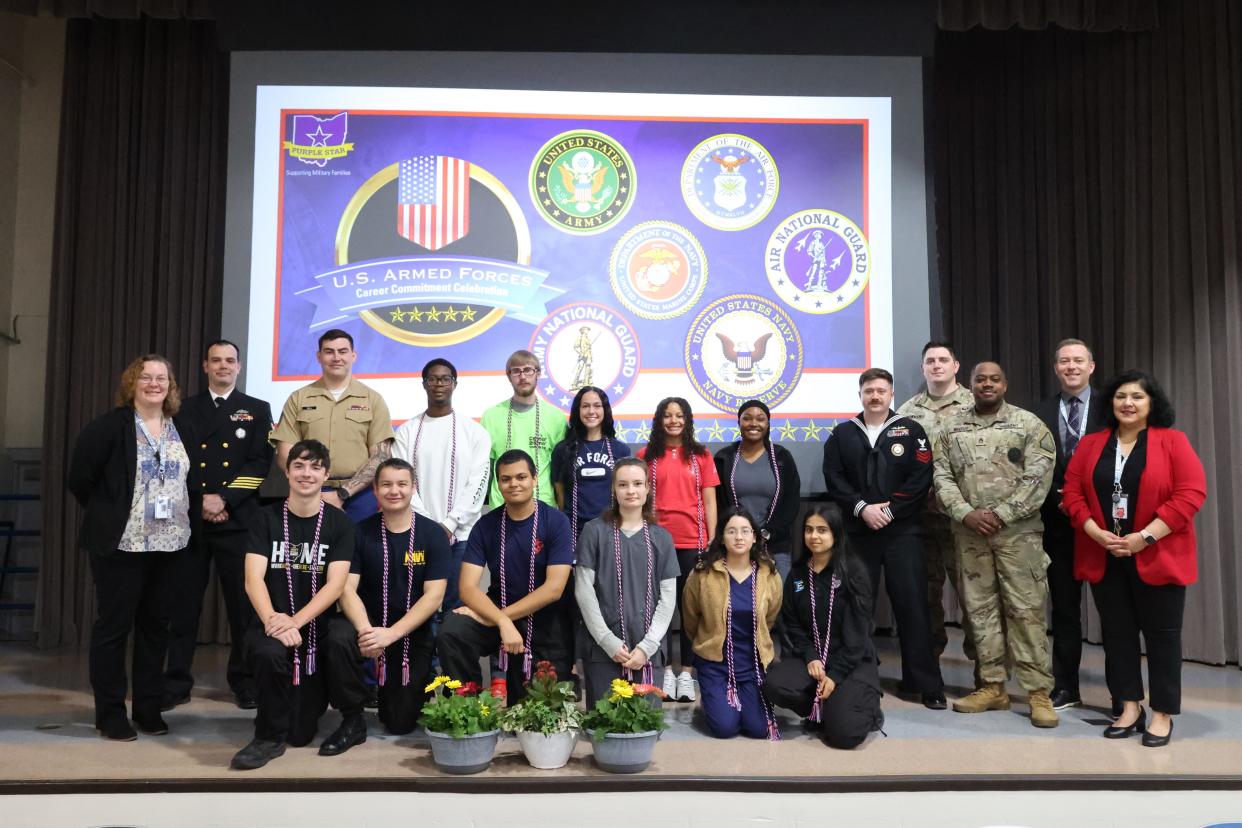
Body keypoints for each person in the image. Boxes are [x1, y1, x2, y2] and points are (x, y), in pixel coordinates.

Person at [1062, 370, 1206, 747]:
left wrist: (1144, 537)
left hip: (1157, 554)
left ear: (1151, 403)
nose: (1128, 403)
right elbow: (1073, 493)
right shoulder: (1092, 444)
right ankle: (1129, 706)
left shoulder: (1173, 442)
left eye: (1137, 397)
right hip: (1105, 554)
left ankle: (1161, 713)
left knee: (1162, 638)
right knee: (1118, 636)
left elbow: (1190, 494)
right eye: (1121, 396)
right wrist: (1094, 531)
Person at [67, 355, 196, 741]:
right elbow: (81, 479)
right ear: (132, 383)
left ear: (170, 386)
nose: (154, 384)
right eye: (146, 377)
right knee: (114, 629)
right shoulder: (109, 427)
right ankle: (110, 714)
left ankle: (148, 708)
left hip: (171, 544)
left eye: (162, 378)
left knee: (156, 628)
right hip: (122, 545)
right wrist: (112, 513)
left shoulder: (182, 425)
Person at [932, 361, 1059, 727]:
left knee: (1026, 612)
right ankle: (992, 686)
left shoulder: (1029, 425)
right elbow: (941, 477)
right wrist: (965, 513)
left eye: (994, 379)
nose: (987, 384)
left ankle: (1037, 693)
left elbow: (1038, 479)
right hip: (969, 535)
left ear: (1005, 384)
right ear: (969, 384)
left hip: (1018, 537)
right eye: (980, 379)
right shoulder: (949, 426)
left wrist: (1002, 514)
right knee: (979, 612)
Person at [822, 368, 945, 709]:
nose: (875, 396)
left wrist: (890, 511)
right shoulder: (843, 433)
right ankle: (853, 677)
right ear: (860, 394)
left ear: (891, 395)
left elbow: (921, 478)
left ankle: (926, 684)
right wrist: (862, 508)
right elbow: (834, 477)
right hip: (859, 531)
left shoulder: (911, 431)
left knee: (913, 606)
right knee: (856, 606)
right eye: (869, 391)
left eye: (881, 391)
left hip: (902, 531)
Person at [231, 440, 355, 770]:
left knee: (300, 734)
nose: (306, 474)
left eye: (315, 467)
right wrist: (273, 619)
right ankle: (266, 736)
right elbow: (252, 579)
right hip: (272, 623)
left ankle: (335, 715)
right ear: (286, 471)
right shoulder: (264, 518)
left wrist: (295, 622)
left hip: (314, 629)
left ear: (326, 474)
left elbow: (336, 584)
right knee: (268, 652)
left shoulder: (339, 523)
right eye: (299, 465)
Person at [163, 340, 274, 711]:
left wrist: (224, 498)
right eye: (216, 360)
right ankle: (176, 682)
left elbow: (258, 464)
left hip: (238, 520)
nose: (223, 366)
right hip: (192, 519)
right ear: (204, 366)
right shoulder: (183, 409)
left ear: (239, 367)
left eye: (230, 361)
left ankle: (243, 681)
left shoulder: (257, 409)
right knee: (182, 606)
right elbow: (176, 462)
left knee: (243, 609)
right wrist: (203, 500)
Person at [436, 449, 575, 704]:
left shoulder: (556, 521)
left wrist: (499, 620)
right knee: (453, 630)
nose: (514, 484)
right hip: (498, 610)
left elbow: (554, 588)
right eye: (506, 479)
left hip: (545, 621)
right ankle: (469, 707)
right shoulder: (486, 525)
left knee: (536, 716)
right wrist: (500, 620)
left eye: (521, 477)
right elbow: (467, 588)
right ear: (498, 484)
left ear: (535, 479)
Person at [330, 458, 451, 744]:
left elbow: (434, 596)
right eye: (386, 484)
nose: (393, 491)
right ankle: (352, 717)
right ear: (375, 489)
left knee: (399, 724)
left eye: (401, 484)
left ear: (413, 488)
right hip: (367, 629)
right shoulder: (359, 532)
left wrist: (392, 634)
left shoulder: (432, 534)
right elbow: (346, 588)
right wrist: (366, 632)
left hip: (409, 631)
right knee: (336, 635)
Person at [763, 504, 883, 749]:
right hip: (814, 659)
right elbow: (792, 623)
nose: (814, 536)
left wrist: (835, 675)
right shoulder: (797, 574)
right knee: (775, 685)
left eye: (822, 530)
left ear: (836, 534)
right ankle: (824, 708)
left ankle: (865, 709)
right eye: (808, 530)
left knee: (844, 736)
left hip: (851, 660)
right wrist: (810, 656)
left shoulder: (853, 571)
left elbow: (858, 634)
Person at [1034, 338, 1107, 710]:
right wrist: (1060, 501)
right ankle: (1067, 686)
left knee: (1115, 613)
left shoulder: (1113, 409)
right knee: (1064, 610)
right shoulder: (1040, 412)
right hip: (1058, 525)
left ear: (1091, 367)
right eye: (1064, 361)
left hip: (1105, 527)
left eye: (1079, 360)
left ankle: (1122, 692)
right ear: (1056, 367)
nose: (1072, 367)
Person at [574, 457, 680, 705]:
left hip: (648, 651)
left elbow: (668, 598)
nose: (630, 491)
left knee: (644, 728)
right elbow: (583, 591)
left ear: (647, 488)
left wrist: (648, 645)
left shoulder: (662, 538)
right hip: (604, 650)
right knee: (605, 725)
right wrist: (607, 641)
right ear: (613, 489)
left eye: (637, 483)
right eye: (622, 484)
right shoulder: (594, 531)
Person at [897, 340, 976, 663]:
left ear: (956, 366)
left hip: (964, 518)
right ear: (923, 368)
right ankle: (928, 659)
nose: (937, 365)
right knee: (925, 591)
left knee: (972, 592)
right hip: (921, 517)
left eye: (944, 359)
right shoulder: (907, 411)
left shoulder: (975, 404)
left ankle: (982, 663)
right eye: (930, 361)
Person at [637, 396, 720, 703]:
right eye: (667, 415)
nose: (673, 420)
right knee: (660, 610)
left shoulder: (701, 456)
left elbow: (709, 500)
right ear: (659, 420)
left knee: (687, 612)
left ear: (687, 420)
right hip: (656, 541)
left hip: (692, 542)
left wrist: (711, 538)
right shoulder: (646, 456)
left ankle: (685, 672)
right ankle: (665, 673)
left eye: (679, 415)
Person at [393, 358, 490, 612]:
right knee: (416, 604)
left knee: (455, 606)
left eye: (445, 379)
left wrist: (449, 524)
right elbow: (402, 483)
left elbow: (477, 484)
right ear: (424, 384)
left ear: (455, 385)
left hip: (462, 535)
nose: (439, 384)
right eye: (433, 379)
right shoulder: (407, 431)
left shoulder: (475, 432)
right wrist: (429, 526)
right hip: (416, 532)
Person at [271, 329, 395, 521]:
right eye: (329, 351)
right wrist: (313, 487)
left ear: (353, 356)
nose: (336, 357)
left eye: (343, 351)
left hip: (359, 497)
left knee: (359, 550)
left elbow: (381, 456)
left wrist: (343, 493)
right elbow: (284, 454)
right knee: (311, 551)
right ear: (319, 356)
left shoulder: (373, 400)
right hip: (309, 493)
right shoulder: (298, 398)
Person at [681, 509, 783, 740]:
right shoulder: (703, 573)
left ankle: (738, 699)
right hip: (715, 663)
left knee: (758, 729)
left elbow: (770, 617)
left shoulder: (769, 574)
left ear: (755, 537)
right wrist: (707, 640)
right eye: (732, 531)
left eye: (745, 531)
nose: (739, 537)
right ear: (722, 537)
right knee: (725, 728)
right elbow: (691, 617)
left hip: (752, 664)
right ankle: (713, 699)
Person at [713, 399, 802, 582]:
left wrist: (766, 534)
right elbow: (719, 503)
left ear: (768, 424)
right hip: (734, 545)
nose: (754, 423)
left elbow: (791, 502)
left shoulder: (781, 457)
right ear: (739, 423)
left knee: (777, 604)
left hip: (775, 546)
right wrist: (742, 534)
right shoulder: (724, 458)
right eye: (747, 418)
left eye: (760, 419)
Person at [480, 350, 567, 509]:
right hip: (500, 508)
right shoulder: (491, 416)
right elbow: (484, 473)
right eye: (516, 371)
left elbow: (560, 472)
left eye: (528, 370)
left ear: (538, 374)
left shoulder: (556, 417)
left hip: (544, 507)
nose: (522, 376)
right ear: (508, 376)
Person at [552, 385, 632, 547]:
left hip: (612, 530)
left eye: (597, 406)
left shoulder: (620, 449)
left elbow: (625, 492)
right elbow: (560, 494)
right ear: (577, 411)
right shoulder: (563, 449)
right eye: (585, 406)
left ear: (605, 410)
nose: (591, 411)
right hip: (575, 532)